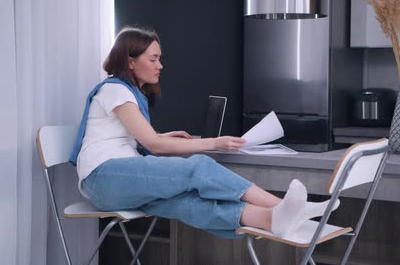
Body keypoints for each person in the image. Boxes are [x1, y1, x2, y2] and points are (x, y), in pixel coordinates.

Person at [71, 26, 329, 239]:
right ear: (130, 61)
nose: (160, 65)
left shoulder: (130, 94)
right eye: (153, 59)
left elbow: (139, 139)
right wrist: (214, 143)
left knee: (188, 203)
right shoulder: (115, 90)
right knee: (198, 168)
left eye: (159, 58)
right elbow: (152, 145)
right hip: (103, 177)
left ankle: (271, 219)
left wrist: (161, 137)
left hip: (118, 181)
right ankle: (285, 207)